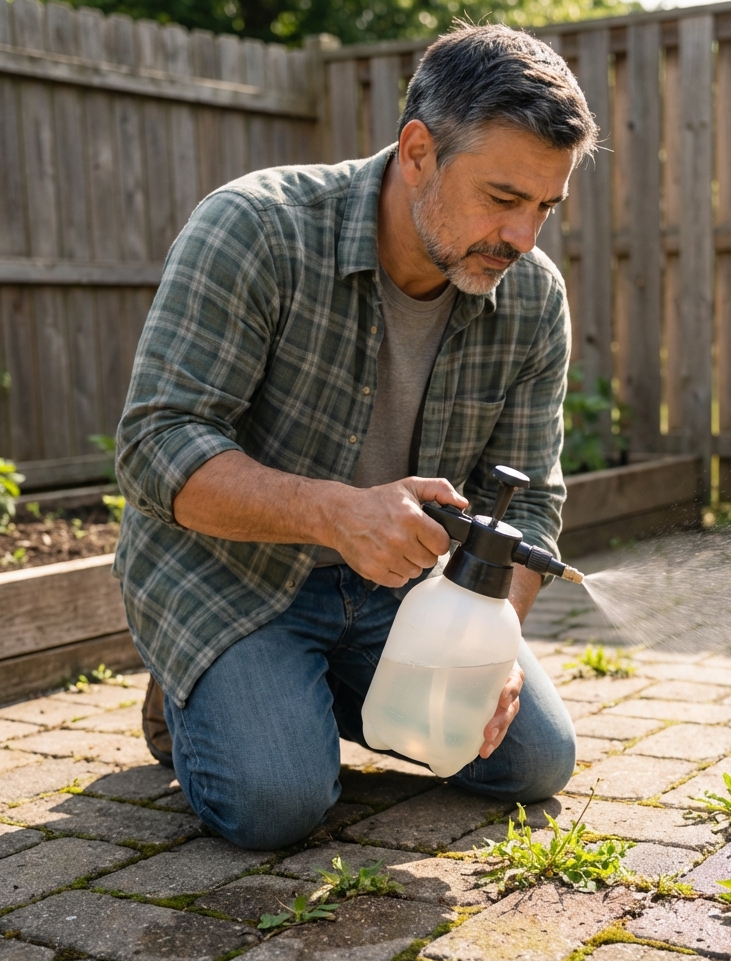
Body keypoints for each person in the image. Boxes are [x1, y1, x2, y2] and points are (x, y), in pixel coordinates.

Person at [114, 24, 598, 850]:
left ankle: (297, 693)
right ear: (418, 152)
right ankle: (201, 687)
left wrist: (493, 649)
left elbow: (534, 500)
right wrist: (336, 515)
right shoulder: (255, 229)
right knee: (278, 803)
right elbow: (157, 445)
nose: (523, 238)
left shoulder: (532, 298)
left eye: (545, 208)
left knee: (534, 763)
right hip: (236, 577)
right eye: (502, 198)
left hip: (408, 597)